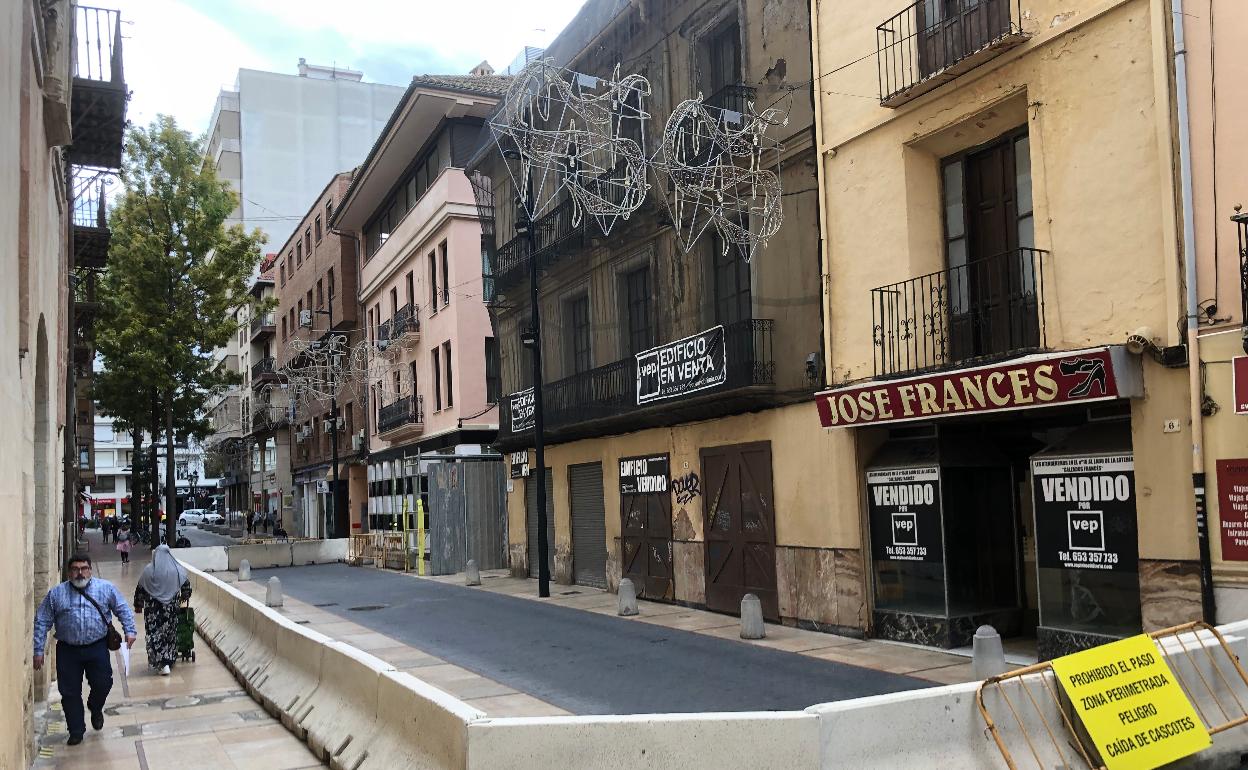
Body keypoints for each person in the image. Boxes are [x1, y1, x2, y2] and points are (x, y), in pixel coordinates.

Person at [33, 554, 137, 746]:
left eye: (84, 568)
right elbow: (42, 621)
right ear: (69, 572)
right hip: (67, 650)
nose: (80, 573)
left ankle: (95, 707)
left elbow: (122, 609)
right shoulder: (56, 594)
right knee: (69, 692)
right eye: (75, 569)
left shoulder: (105, 588)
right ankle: (76, 731)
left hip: (96, 647)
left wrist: (130, 631)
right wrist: (38, 650)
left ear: (89, 569)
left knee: (103, 682)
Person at [133, 545, 191, 676]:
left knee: (154, 635)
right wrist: (184, 597)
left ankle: (161, 663)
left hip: (153, 612)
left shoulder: (149, 570)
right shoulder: (176, 569)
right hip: (171, 610)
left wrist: (138, 604)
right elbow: (186, 585)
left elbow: (140, 587)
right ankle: (168, 659)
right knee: (169, 634)